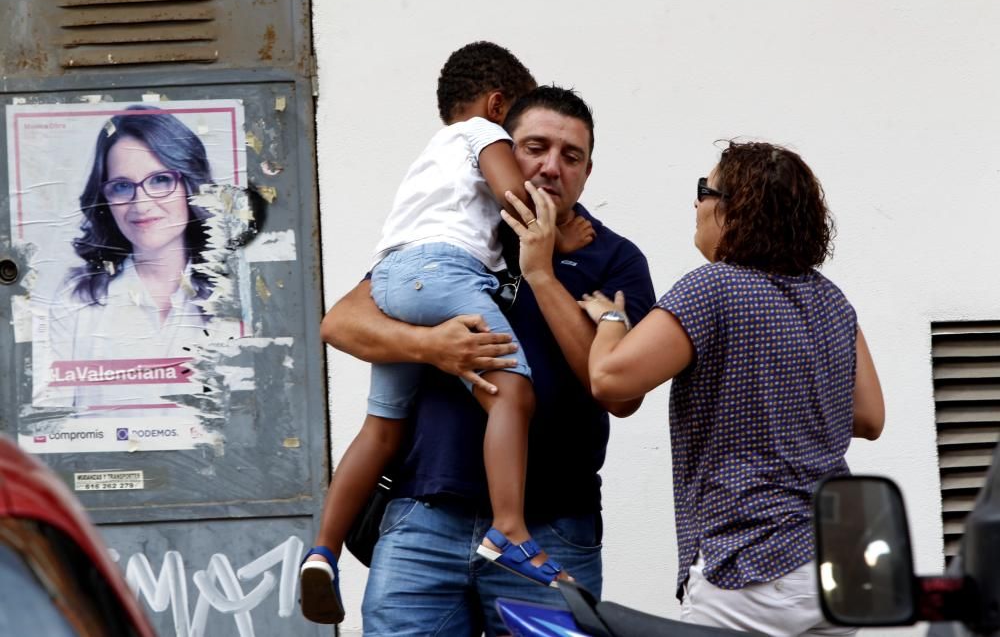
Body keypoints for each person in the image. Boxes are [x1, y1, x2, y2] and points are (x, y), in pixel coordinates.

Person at [321, 85, 655, 636]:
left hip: (552, 529)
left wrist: (543, 272)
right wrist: (432, 347)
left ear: (587, 173)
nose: (551, 166)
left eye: (570, 156)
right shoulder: (454, 236)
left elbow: (620, 395)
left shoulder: (611, 257)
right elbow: (342, 323)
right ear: (504, 151)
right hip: (423, 518)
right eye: (535, 147)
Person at [581, 141, 886, 636]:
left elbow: (610, 378)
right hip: (840, 562)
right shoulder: (833, 302)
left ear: (733, 207)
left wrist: (612, 318)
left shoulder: (714, 287)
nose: (696, 203)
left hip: (751, 565)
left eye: (704, 190)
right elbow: (871, 417)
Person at [42, 106, 243, 410]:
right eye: (122, 186)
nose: (142, 203)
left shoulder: (240, 295)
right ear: (105, 198)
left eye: (161, 180)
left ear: (190, 185)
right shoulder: (74, 299)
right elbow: (48, 426)